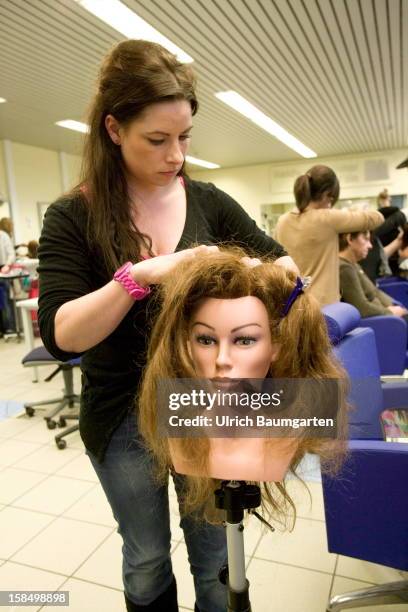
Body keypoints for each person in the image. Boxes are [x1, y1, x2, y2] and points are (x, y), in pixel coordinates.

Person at [37, 39, 296, 612]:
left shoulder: (209, 201)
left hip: (205, 406)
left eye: (184, 138)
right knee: (148, 555)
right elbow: (61, 335)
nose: (176, 154)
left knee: (216, 555)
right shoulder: (73, 215)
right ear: (113, 129)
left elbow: (285, 266)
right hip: (122, 413)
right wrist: (142, 276)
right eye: (157, 139)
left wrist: (248, 271)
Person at [138, 249, 348, 524]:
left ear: (276, 346)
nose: (222, 360)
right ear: (187, 343)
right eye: (206, 340)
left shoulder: (291, 424)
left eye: (244, 340)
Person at [275, 165, 384, 306]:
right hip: (324, 307)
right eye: (332, 200)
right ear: (327, 194)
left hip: (292, 305)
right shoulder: (327, 218)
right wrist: (352, 211)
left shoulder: (282, 222)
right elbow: (377, 218)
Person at [338, 230, 408, 319]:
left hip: (385, 317)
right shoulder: (344, 268)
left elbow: (375, 292)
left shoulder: (354, 265)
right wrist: (389, 312)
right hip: (378, 322)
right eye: (366, 239)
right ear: (350, 239)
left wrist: (396, 305)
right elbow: (362, 308)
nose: (370, 246)